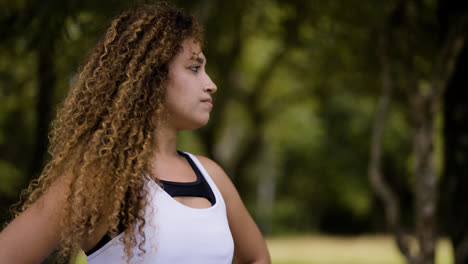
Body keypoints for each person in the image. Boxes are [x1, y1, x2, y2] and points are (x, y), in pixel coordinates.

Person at [0, 5, 270, 264]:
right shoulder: (98, 180)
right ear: (151, 78)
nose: (211, 85)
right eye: (194, 68)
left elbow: (256, 257)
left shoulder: (212, 176)